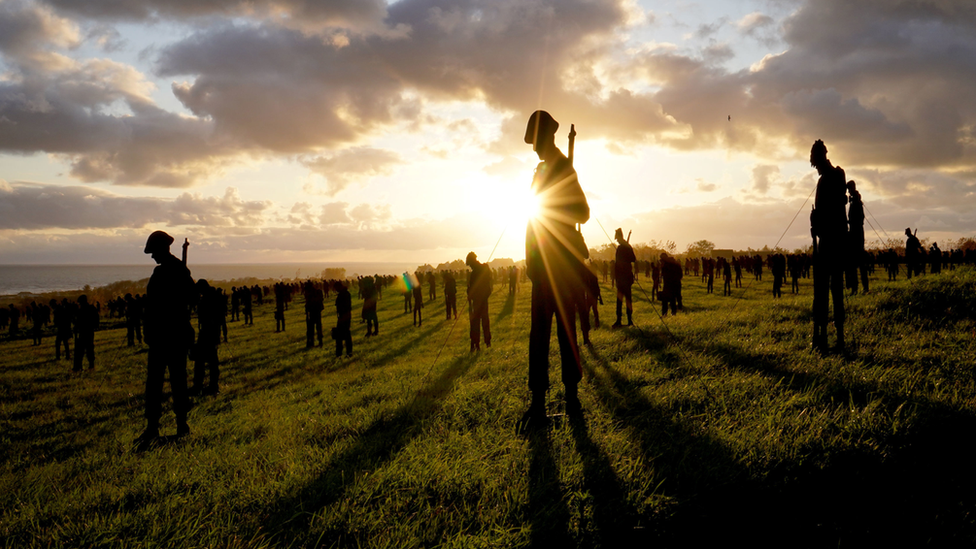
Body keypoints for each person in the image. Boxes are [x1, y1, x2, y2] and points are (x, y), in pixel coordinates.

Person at [521, 110, 589, 429]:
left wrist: (557, 206)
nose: (532, 146)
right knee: (539, 337)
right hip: (541, 269)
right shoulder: (541, 169)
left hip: (560, 268)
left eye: (534, 140)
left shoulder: (562, 167)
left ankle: (572, 399)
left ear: (546, 137)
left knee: (566, 334)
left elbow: (583, 212)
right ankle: (538, 404)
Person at [138, 230, 196, 442]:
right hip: (164, 335)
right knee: (160, 382)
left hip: (170, 334)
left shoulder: (175, 271)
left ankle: (179, 424)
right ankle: (155, 427)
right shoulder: (174, 270)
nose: (152, 256)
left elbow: (190, 297)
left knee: (172, 382)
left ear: (163, 249)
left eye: (154, 252)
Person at [809, 140, 848, 353]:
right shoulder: (838, 175)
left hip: (829, 241)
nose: (815, 167)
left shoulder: (826, 180)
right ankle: (838, 337)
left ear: (819, 159)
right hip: (839, 240)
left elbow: (829, 210)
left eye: (815, 162)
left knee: (823, 289)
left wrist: (815, 221)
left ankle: (822, 337)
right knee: (836, 288)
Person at [191, 279, 221, 396]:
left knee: (208, 362)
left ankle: (210, 386)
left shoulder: (210, 299)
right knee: (203, 361)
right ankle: (203, 385)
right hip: (208, 332)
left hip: (209, 332)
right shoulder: (210, 297)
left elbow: (211, 317)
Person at [466, 252, 492, 351]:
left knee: (475, 322)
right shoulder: (484, 268)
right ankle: (487, 342)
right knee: (485, 320)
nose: (470, 267)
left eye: (470, 264)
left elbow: (472, 288)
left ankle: (475, 344)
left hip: (477, 300)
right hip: (484, 299)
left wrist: (469, 293)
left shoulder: (475, 273)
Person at [846, 181, 868, 295]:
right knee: (856, 264)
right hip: (856, 233)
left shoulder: (856, 202)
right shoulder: (855, 201)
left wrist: (849, 222)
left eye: (849, 189)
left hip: (857, 234)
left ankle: (862, 288)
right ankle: (859, 288)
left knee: (858, 263)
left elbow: (859, 218)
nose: (848, 191)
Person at [612, 228, 636, 328]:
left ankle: (625, 320)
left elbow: (633, 259)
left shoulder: (623, 248)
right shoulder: (625, 247)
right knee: (623, 300)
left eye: (617, 238)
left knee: (623, 300)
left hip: (624, 277)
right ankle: (623, 320)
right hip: (624, 277)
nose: (616, 240)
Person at [72, 295, 98, 371]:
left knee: (80, 350)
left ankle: (78, 367)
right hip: (89, 331)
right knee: (89, 348)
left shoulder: (82, 310)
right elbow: (96, 319)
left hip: (83, 331)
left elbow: (78, 321)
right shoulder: (92, 308)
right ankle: (91, 365)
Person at [333, 280, 352, 357]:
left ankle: (344, 352)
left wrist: (343, 317)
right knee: (342, 335)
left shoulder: (344, 294)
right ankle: (342, 352)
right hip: (343, 316)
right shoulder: (344, 293)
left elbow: (346, 307)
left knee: (344, 335)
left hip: (345, 316)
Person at [304, 281, 324, 348]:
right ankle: (318, 342)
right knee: (317, 328)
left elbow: (309, 303)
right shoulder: (318, 292)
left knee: (311, 329)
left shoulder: (313, 293)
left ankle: (312, 342)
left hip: (313, 312)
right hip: (316, 312)